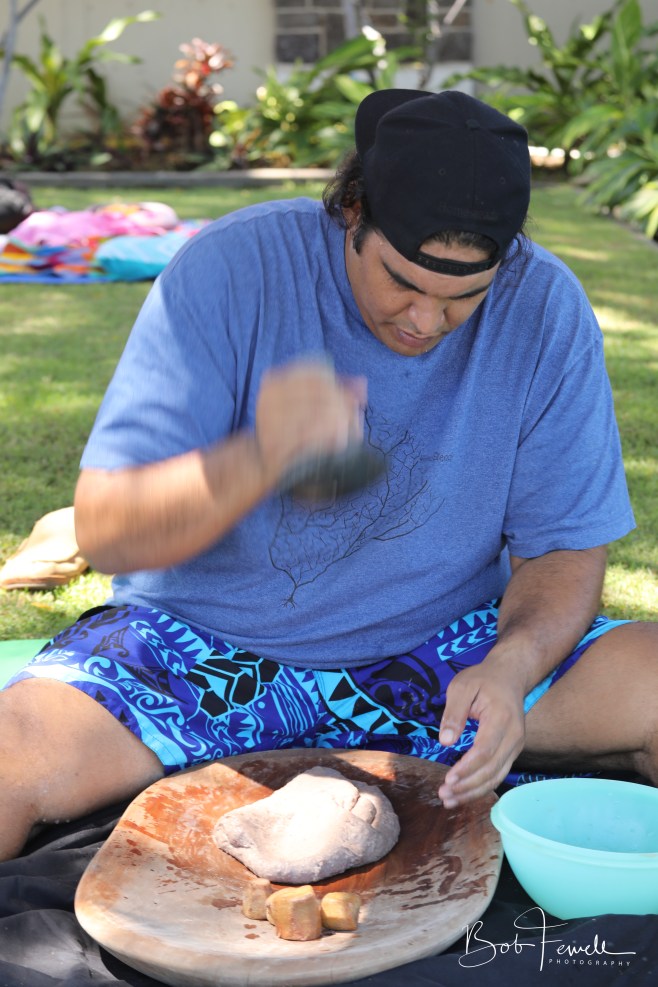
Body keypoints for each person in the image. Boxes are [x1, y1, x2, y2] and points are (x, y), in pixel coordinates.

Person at [1, 89, 656, 862]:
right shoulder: (231, 269)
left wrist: (512, 666)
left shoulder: (545, 306)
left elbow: (564, 548)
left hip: (442, 658)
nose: (424, 320)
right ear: (351, 210)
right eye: (402, 281)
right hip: (202, 649)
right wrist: (261, 455)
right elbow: (111, 531)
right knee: (11, 761)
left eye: (463, 298)